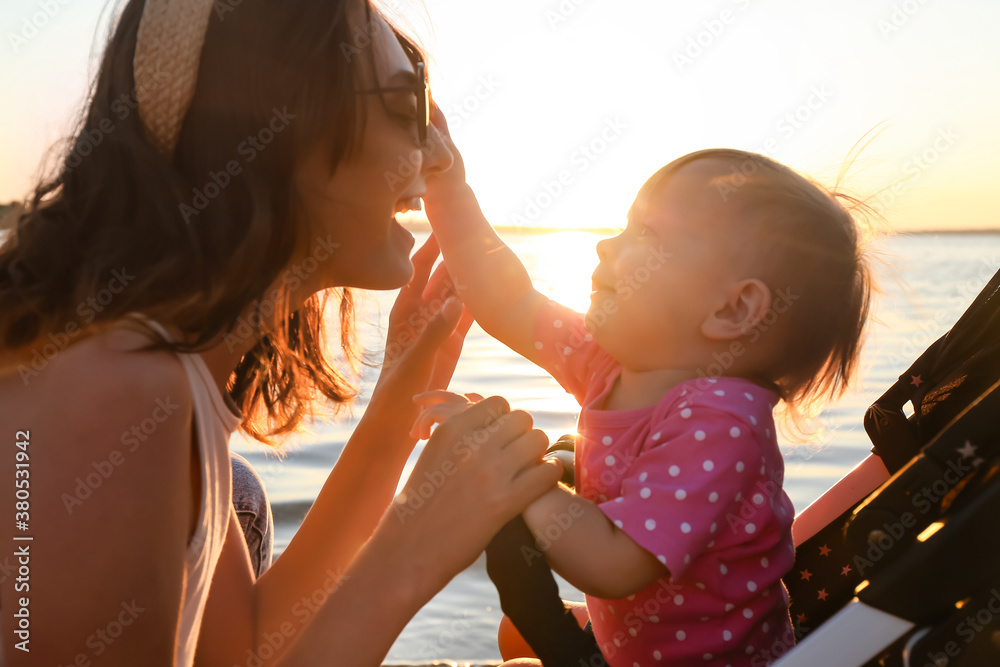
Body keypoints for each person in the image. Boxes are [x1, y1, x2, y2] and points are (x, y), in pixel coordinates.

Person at [0, 0, 562, 664]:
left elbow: (249, 644)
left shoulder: (163, 375)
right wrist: (415, 546)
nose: (437, 149)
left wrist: (392, 413)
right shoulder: (111, 390)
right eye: (406, 100)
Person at [415, 128, 874, 665]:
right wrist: (447, 187)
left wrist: (513, 469)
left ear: (733, 310)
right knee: (513, 647)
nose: (606, 244)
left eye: (648, 236)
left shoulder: (722, 423)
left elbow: (615, 562)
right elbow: (508, 298)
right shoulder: (614, 364)